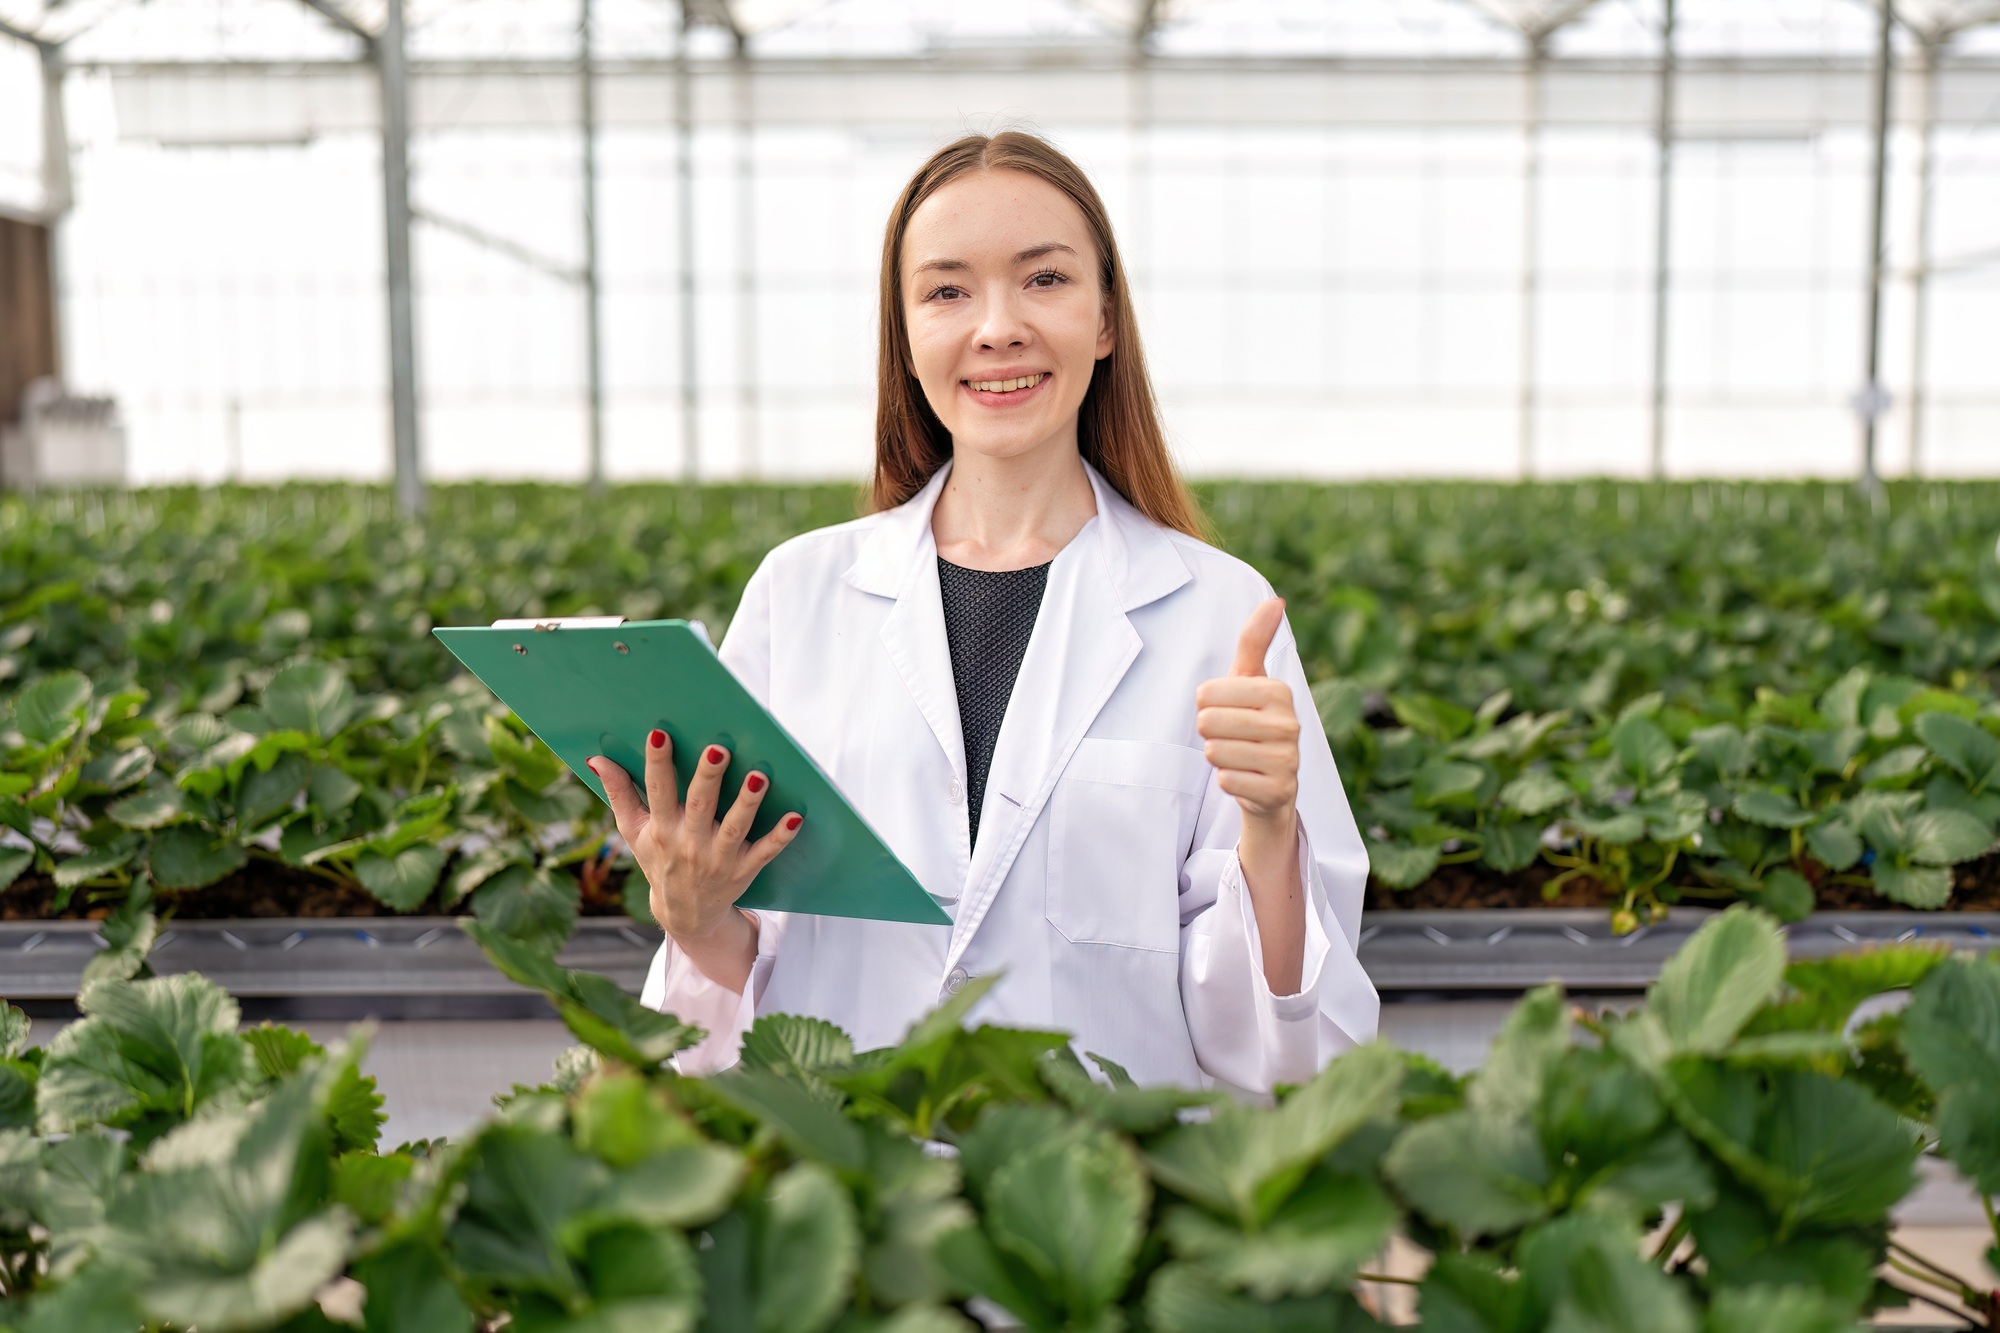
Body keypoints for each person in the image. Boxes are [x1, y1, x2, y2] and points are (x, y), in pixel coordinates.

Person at [588, 130, 1377, 1094]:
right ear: (907, 335)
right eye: (948, 290)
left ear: (1105, 320)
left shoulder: (1219, 609)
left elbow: (1281, 1050)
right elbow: (745, 982)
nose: (996, 327)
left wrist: (1266, 825)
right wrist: (694, 912)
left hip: (1100, 1198)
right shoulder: (800, 595)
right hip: (854, 1184)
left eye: (1043, 280)